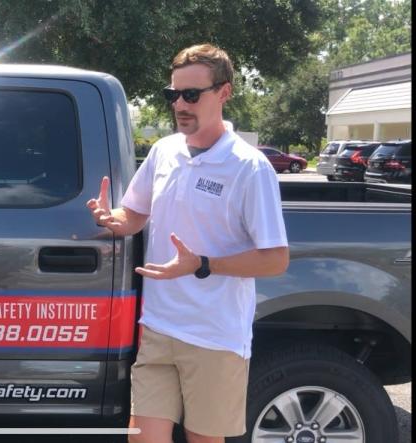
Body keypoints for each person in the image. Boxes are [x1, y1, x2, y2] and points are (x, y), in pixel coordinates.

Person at [87, 43, 290, 443]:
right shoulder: (164, 152)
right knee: (143, 438)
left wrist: (202, 263)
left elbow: (275, 260)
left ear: (224, 93)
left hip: (214, 336)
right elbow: (136, 215)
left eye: (192, 95)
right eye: (173, 94)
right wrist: (114, 222)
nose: (180, 104)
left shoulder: (249, 167)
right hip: (159, 327)